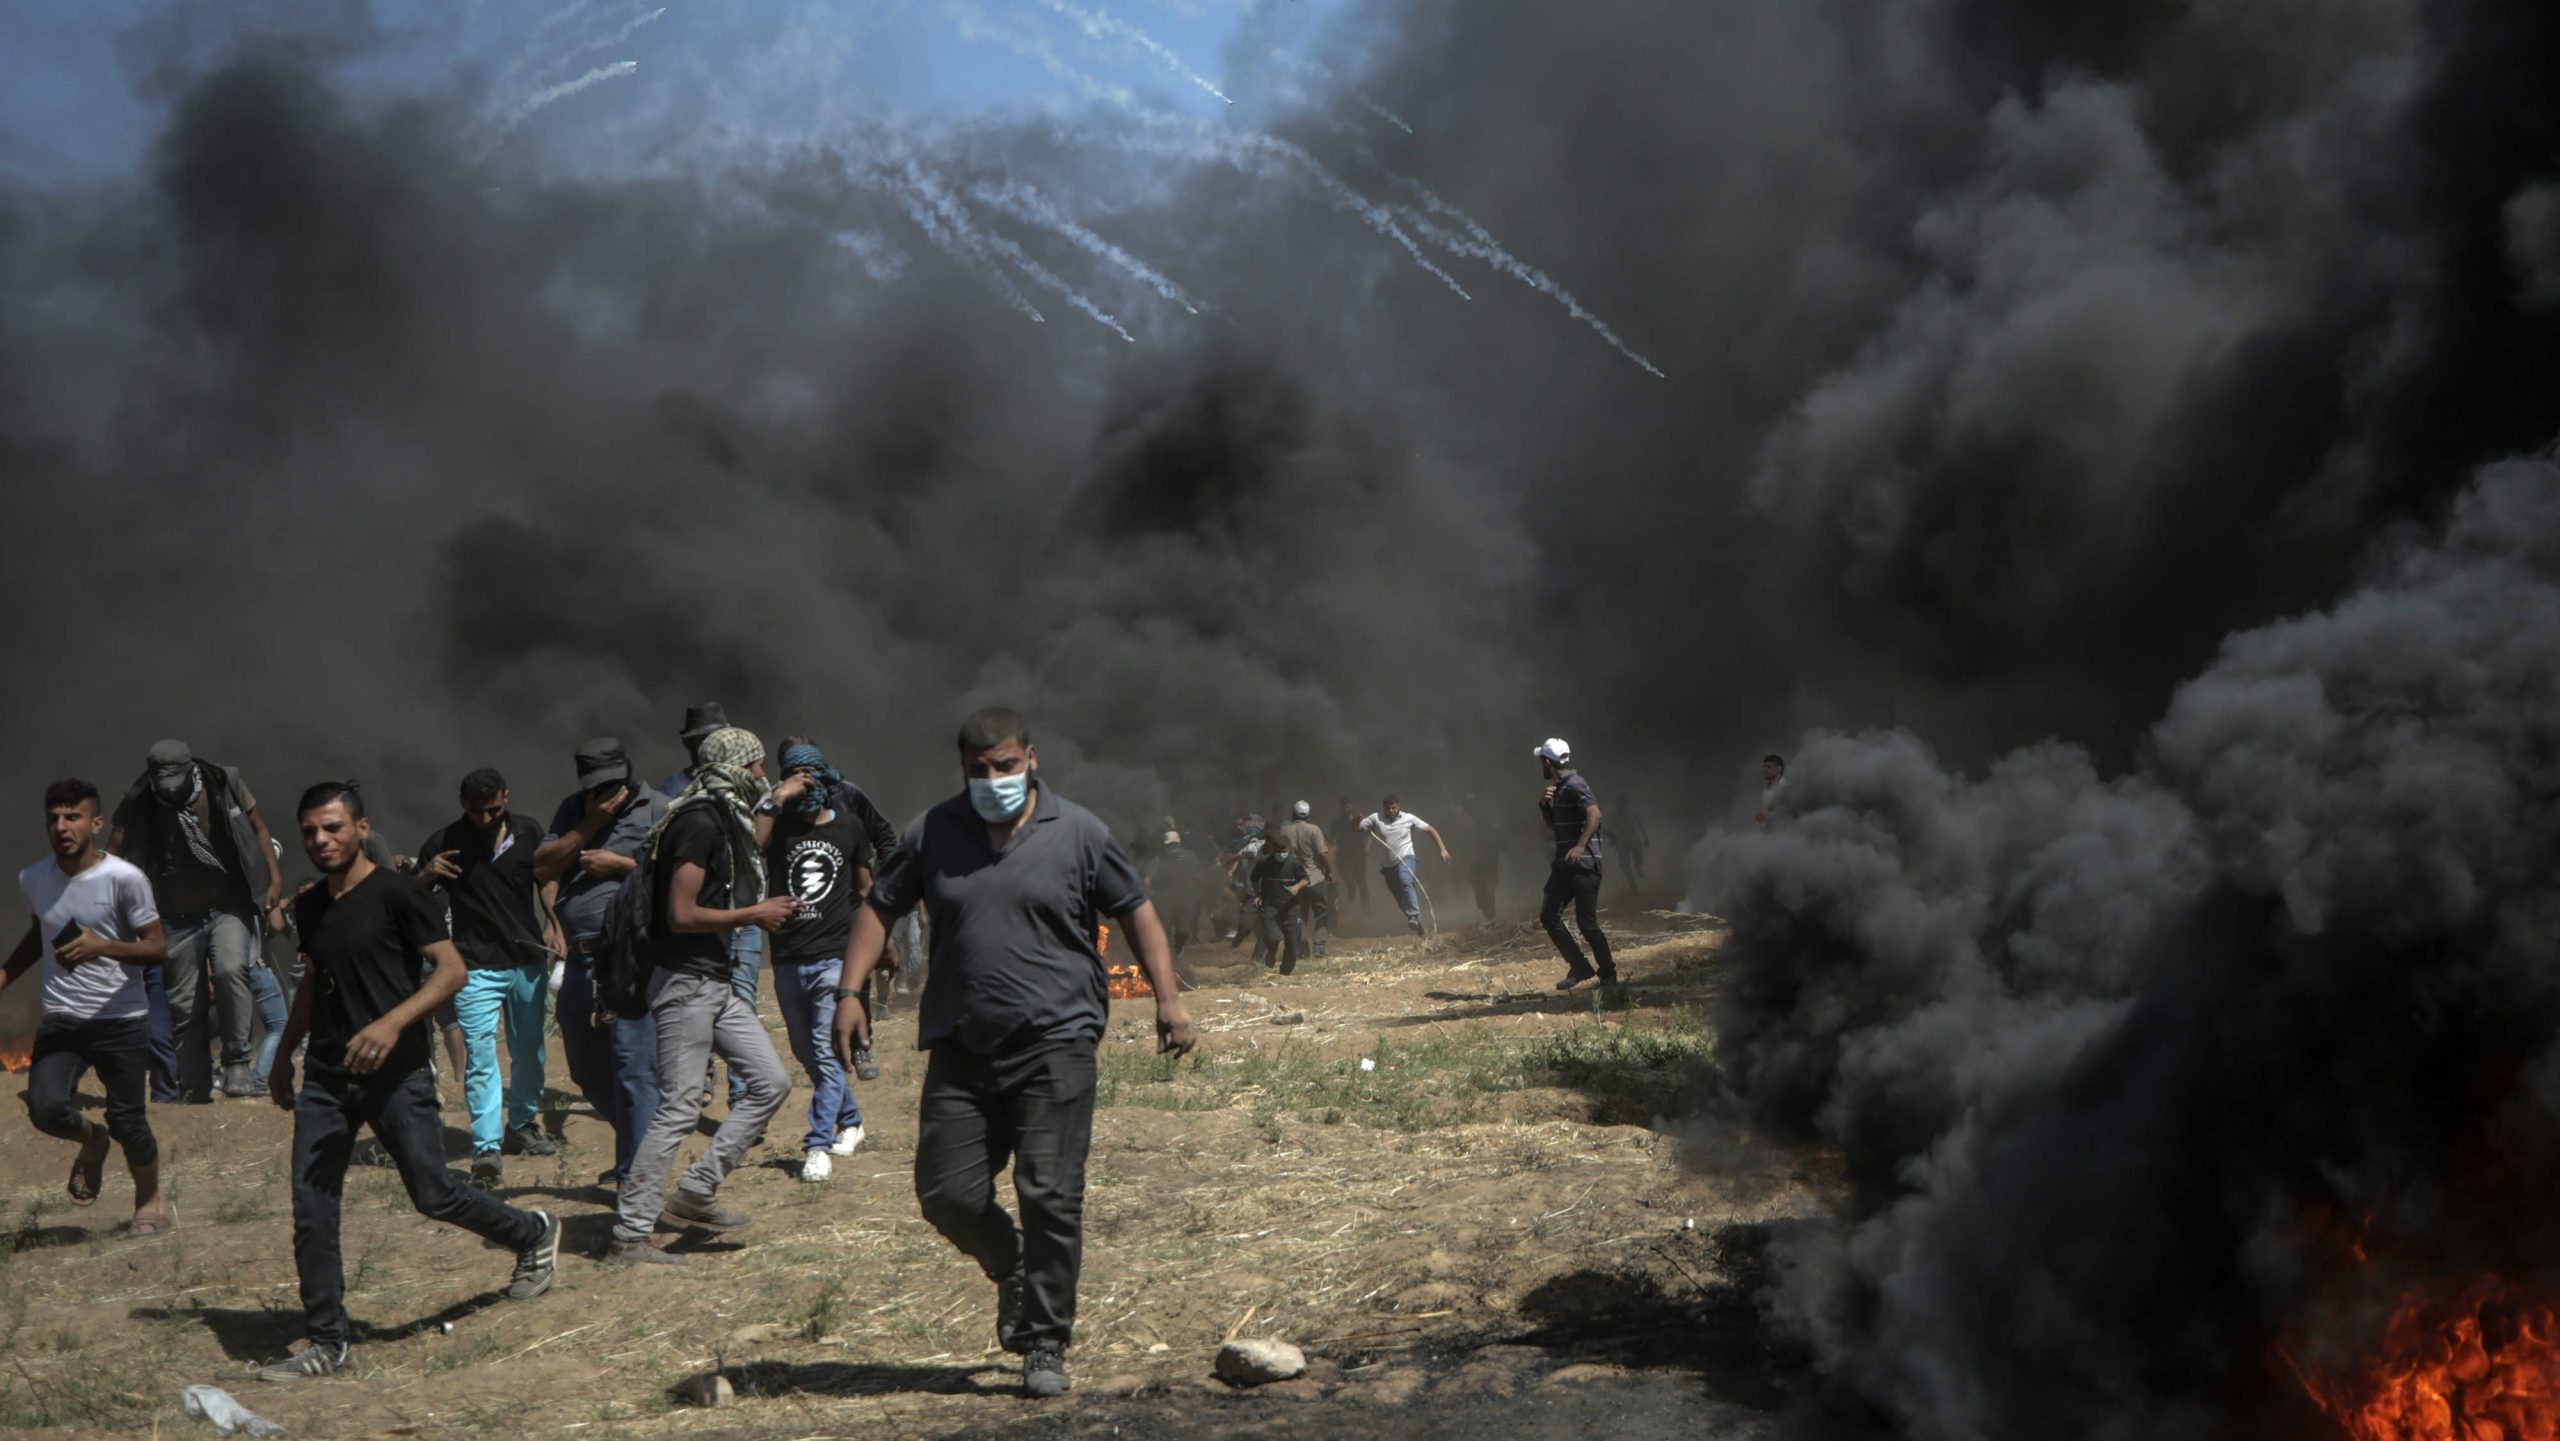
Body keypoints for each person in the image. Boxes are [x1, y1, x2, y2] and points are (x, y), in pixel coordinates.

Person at [833, 708, 1195, 1399]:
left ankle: (1045, 1336)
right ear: (963, 768)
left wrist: (1167, 998)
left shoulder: (1080, 832)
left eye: (1007, 765)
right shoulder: (932, 831)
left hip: (1055, 1041)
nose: (995, 779)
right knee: (947, 1192)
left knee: (1051, 1193)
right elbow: (879, 907)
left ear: (1032, 757)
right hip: (961, 1043)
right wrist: (850, 990)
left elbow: (1137, 908)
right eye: (980, 769)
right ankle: (1015, 1265)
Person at [256, 782, 557, 1381]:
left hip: (396, 1075)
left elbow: (452, 972)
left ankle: (531, 1233)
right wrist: (285, 1051)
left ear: (361, 828)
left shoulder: (399, 895)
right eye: (310, 831)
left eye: (333, 828)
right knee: (312, 1207)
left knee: (434, 1194)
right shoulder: (311, 906)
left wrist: (392, 1024)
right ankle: (327, 1340)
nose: (321, 840)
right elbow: (316, 983)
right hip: (327, 1076)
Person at [610, 727, 796, 1266]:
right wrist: (755, 914)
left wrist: (777, 803)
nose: (762, 777)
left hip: (710, 983)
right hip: (686, 984)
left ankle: (695, 1192)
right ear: (735, 767)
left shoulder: (720, 818)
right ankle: (630, 1233)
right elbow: (681, 914)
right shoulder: (696, 822)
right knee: (679, 1108)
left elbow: (748, 846)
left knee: (770, 1082)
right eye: (758, 767)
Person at [4, 780, 172, 1233]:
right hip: (63, 1018)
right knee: (44, 1108)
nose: (62, 827)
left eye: (72, 817)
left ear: (95, 823)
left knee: (128, 1121)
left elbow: (157, 948)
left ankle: (149, 1202)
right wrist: (3, 975)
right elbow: (38, 934)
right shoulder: (33, 878)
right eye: (53, 819)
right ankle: (92, 1140)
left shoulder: (124, 879)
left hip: (121, 1019)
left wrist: (103, 947)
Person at [108, 739, 286, 1101]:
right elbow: (114, 852)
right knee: (185, 1004)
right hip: (174, 915)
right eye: (165, 788)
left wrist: (275, 880)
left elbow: (259, 829)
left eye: (178, 785)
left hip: (228, 905)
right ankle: (195, 1083)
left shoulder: (224, 782)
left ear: (191, 772)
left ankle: (237, 1061)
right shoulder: (139, 799)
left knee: (231, 968)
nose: (172, 795)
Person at [759, 738, 899, 1183]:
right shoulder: (775, 828)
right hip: (786, 957)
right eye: (794, 779)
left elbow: (865, 890)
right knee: (806, 1053)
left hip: (832, 957)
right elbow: (743, 849)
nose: (804, 788)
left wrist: (885, 941)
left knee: (824, 1048)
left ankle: (817, 1145)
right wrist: (774, 800)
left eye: (810, 779)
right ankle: (852, 1120)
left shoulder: (850, 827)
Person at [417, 768, 558, 1186]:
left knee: (530, 1050)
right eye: (476, 812)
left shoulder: (531, 832)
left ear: (506, 798)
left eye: (492, 810)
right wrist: (425, 875)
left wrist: (554, 922)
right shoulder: (445, 843)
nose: (484, 819)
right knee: (480, 1056)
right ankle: (486, 1148)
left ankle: (522, 1124)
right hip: (474, 964)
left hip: (527, 959)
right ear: (463, 805)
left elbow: (547, 878)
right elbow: (409, 899)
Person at [533, 739, 665, 1187]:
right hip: (580, 959)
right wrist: (590, 824)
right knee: (584, 1067)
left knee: (633, 1068)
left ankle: (638, 1179)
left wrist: (621, 866)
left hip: (630, 955)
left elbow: (681, 878)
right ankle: (639, 1146)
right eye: (593, 786)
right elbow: (542, 867)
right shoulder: (575, 809)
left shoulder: (658, 808)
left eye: (609, 785)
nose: (602, 792)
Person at [661, 703, 766, 1110]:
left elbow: (757, 844)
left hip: (741, 920)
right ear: (689, 744)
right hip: (703, 921)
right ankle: (697, 1084)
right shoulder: (675, 794)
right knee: (698, 1007)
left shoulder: (751, 787)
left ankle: (743, 1096)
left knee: (741, 1003)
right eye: (703, 738)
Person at [1534, 739, 1617, 991]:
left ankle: (1608, 975)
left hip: (1584, 865)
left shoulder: (1574, 784)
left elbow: (1595, 814)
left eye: (1541, 761)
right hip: (1564, 865)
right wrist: (1544, 806)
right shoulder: (1560, 788)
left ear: (1548, 762)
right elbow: (1554, 829)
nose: (1541, 766)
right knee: (1549, 916)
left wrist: (1581, 845)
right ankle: (1580, 966)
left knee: (1587, 923)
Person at [1360, 796, 1450, 937]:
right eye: (1388, 808)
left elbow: (1430, 829)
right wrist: (1354, 821)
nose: (1391, 811)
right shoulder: (1375, 818)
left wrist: (1442, 849)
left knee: (1405, 879)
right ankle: (1420, 927)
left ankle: (1414, 915)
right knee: (1401, 901)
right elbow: (1358, 827)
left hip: (1407, 858)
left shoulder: (1408, 818)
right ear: (1384, 808)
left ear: (1399, 806)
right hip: (1388, 866)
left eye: (1394, 807)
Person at [1247, 824, 1314, 974]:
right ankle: (1270, 953)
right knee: (1273, 936)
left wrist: (1296, 887)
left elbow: (1306, 879)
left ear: (1288, 850)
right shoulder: (1264, 862)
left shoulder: (1294, 863)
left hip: (1291, 909)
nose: (1281, 854)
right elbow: (1254, 878)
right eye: (1278, 851)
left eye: (1284, 851)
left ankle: (1285, 972)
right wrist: (1258, 895)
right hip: (1270, 907)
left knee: (1292, 944)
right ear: (1274, 850)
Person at [1277, 801, 1334, 958]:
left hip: (1294, 881)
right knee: (1321, 912)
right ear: (1308, 814)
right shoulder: (1314, 830)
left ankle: (1303, 949)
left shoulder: (1285, 831)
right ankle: (1319, 946)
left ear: (1293, 814)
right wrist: (1328, 871)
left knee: (1300, 916)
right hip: (1314, 878)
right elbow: (1322, 854)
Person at [1329, 799, 1369, 924]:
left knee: (1363, 885)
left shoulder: (1359, 820)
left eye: (1349, 806)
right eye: (1345, 807)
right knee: (1350, 883)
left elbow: (1369, 836)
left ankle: (1367, 912)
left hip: (1358, 857)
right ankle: (1351, 904)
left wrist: (1366, 851)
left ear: (1352, 806)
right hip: (1343, 858)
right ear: (1341, 808)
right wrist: (1333, 853)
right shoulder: (1337, 823)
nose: (1348, 808)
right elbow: (1332, 840)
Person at [1756, 754, 1788, 825]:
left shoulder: (1787, 788)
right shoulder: (1766, 789)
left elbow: (1787, 811)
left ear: (1779, 769)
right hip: (1768, 831)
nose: (1764, 770)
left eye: (1768, 767)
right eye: (1763, 767)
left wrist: (1767, 816)